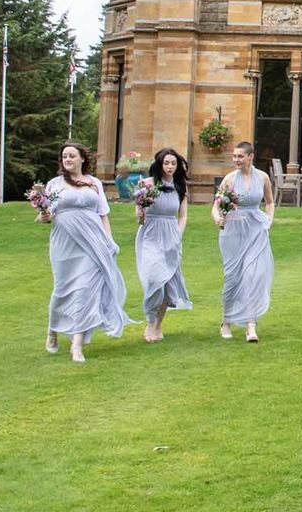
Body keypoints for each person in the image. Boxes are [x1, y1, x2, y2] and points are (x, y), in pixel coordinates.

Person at [44, 142, 131, 364]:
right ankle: (52, 330)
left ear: (83, 158)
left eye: (72, 155)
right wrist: (44, 215)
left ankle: (77, 344)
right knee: (62, 290)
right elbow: (47, 214)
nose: (67, 159)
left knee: (86, 291)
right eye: (64, 156)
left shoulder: (95, 183)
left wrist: (109, 241)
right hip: (65, 242)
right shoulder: (55, 184)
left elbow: (103, 214)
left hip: (93, 242)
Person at [212, 141, 275, 343]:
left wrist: (268, 221)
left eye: (240, 156)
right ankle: (226, 321)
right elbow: (216, 206)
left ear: (250, 157)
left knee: (252, 276)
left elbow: (270, 202)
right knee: (232, 277)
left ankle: (250, 325)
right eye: (234, 156)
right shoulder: (229, 180)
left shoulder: (263, 177)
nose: (236, 160)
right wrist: (217, 218)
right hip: (233, 230)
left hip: (256, 230)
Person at [136, 147, 192, 342]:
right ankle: (150, 318)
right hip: (151, 233)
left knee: (168, 283)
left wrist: (178, 235)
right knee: (154, 277)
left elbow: (183, 215)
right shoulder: (147, 184)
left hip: (171, 235)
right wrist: (139, 214)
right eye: (166, 163)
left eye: (173, 163)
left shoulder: (180, 186)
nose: (169, 166)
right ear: (159, 164)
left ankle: (156, 325)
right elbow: (140, 214)